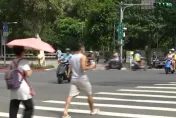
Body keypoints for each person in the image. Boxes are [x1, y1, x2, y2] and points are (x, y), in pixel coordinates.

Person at [62, 43, 99, 118]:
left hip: (74, 79)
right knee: (89, 94)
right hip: (82, 78)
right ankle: (92, 110)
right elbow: (83, 68)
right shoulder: (82, 56)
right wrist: (92, 66)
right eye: (83, 47)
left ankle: (65, 112)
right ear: (81, 48)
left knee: (70, 95)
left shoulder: (71, 57)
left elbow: (71, 67)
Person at [9, 46, 34, 118]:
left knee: (14, 107)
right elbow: (28, 74)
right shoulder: (23, 61)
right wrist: (30, 68)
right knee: (29, 107)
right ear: (22, 52)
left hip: (13, 86)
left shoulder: (12, 62)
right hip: (22, 87)